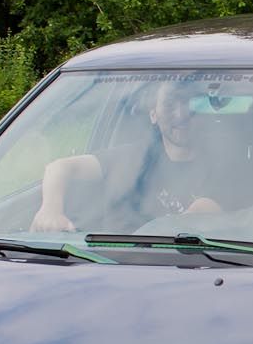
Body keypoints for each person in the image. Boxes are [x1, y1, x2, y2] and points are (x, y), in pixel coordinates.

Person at [31, 79, 222, 232]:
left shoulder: (223, 165)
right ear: (153, 115)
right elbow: (59, 168)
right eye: (169, 104)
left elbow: (202, 213)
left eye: (190, 103)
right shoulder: (132, 157)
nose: (181, 114)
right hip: (107, 263)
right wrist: (51, 210)